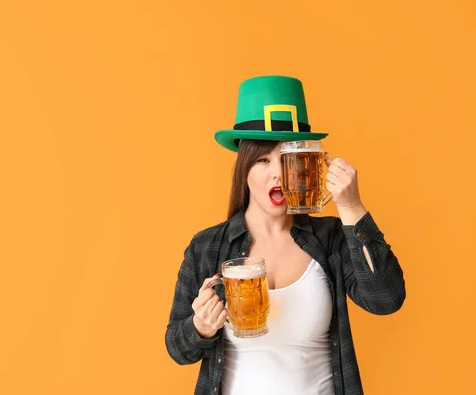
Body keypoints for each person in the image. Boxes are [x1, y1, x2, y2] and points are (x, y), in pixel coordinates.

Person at [165, 75, 406, 395]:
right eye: (263, 160)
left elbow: (385, 299)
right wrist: (200, 327)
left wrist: (352, 207)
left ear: (307, 165)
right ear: (244, 169)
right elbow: (176, 347)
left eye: (287, 160)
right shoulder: (207, 246)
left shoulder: (330, 238)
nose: (277, 173)